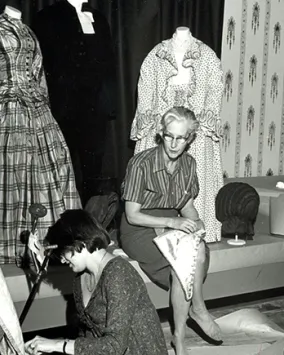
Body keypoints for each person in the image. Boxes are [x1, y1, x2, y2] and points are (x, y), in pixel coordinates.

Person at [120, 107, 223, 355]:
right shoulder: (140, 163)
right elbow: (133, 215)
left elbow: (186, 206)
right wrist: (174, 223)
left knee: (196, 251)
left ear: (190, 139)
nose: (174, 144)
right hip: (139, 228)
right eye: (169, 136)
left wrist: (196, 223)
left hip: (169, 222)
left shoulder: (189, 164)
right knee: (183, 261)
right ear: (161, 133)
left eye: (181, 138)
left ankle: (179, 338)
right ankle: (198, 308)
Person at [0, 0, 81, 265]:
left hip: (37, 110)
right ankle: (13, 244)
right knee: (14, 173)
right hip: (9, 109)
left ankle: (50, 241)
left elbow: (38, 77)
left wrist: (43, 104)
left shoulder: (28, 30)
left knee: (49, 168)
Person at [25, 209, 168, 355]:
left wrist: (57, 344)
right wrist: (40, 251)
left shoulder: (118, 274)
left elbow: (114, 346)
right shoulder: (81, 275)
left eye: (64, 253)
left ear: (80, 243)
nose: (62, 259)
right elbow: (88, 333)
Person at [130, 26, 224, 243]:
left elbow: (214, 92)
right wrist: (151, 123)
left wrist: (202, 122)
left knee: (193, 174)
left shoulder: (207, 55)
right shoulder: (155, 55)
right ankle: (156, 229)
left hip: (192, 132)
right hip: (165, 128)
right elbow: (145, 95)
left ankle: (199, 230)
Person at [33, 0, 116, 203]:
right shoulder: (47, 17)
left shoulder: (99, 19)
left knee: (93, 172)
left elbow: (108, 66)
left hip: (94, 112)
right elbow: (40, 66)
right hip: (62, 110)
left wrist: (108, 106)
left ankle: (90, 222)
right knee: (61, 168)